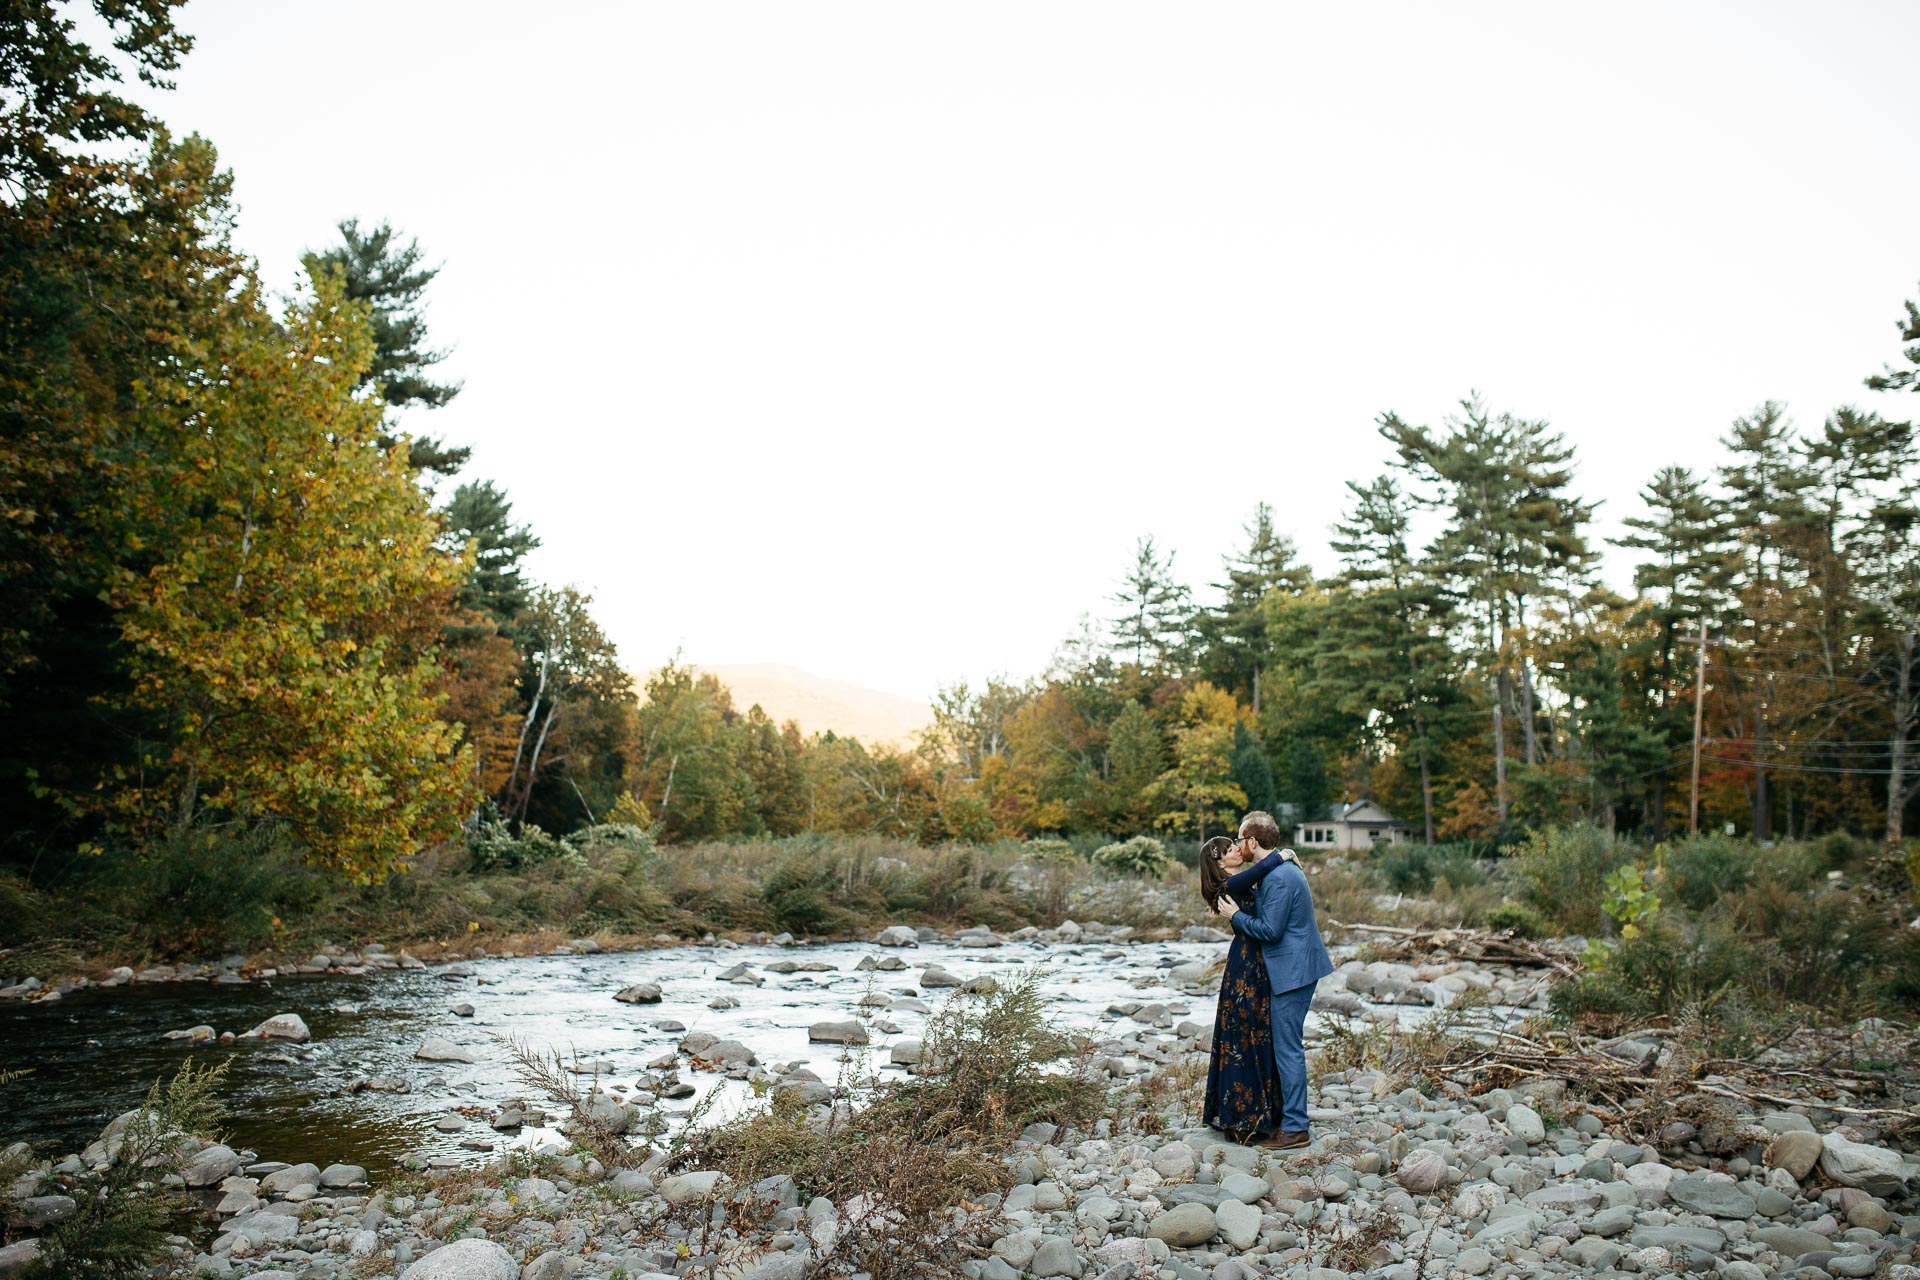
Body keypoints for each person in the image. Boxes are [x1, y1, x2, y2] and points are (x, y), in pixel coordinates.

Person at [1224, 810, 1333, 1150]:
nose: (1239, 845)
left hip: (1294, 971)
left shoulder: (1281, 877)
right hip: (1290, 968)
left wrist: (1236, 916)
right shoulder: (1275, 870)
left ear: (1252, 841)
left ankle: (1296, 1128)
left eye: (1241, 840)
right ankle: (1283, 1118)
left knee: (1287, 1048)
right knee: (1284, 1045)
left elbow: (1271, 931)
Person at [1198, 834, 1286, 1142]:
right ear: (1220, 862)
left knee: (1254, 1036)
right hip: (1245, 969)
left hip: (1253, 964)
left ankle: (1259, 1115)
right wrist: (1284, 854)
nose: (1238, 848)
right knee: (1241, 1041)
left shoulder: (1237, 884)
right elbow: (1265, 866)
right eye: (1230, 848)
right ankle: (1240, 1119)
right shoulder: (1228, 886)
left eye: (1237, 843)